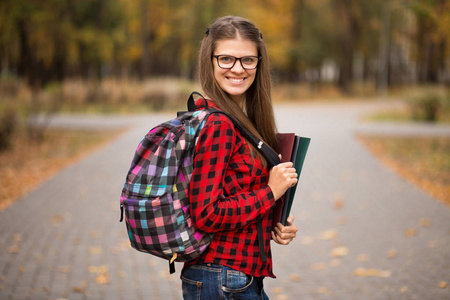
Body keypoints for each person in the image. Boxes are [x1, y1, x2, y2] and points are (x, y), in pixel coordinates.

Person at [181, 16, 299, 300]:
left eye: (248, 60)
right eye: (226, 59)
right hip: (221, 277)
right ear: (209, 61)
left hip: (233, 278)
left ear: (259, 63)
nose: (237, 69)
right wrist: (270, 193)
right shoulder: (218, 124)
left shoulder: (241, 122)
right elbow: (207, 214)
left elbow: (234, 192)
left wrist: (274, 223)